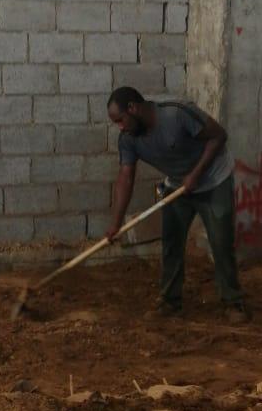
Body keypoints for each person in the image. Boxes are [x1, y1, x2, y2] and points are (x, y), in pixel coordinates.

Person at [105, 87, 248, 319]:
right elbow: (125, 177)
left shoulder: (176, 114)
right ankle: (170, 300)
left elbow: (219, 136)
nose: (120, 127)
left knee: (221, 242)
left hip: (214, 180)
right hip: (178, 185)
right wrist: (116, 223)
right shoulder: (128, 139)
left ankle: (232, 301)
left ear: (133, 108)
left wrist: (196, 174)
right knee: (171, 242)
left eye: (120, 120)